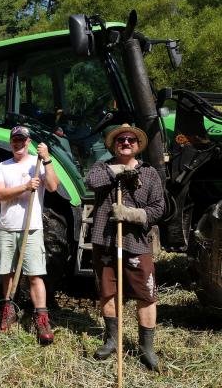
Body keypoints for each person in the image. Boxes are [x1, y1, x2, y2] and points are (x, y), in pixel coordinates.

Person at [85, 123, 165, 371]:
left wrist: (132, 214)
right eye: (121, 140)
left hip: (136, 243)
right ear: (114, 145)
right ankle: (112, 340)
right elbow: (90, 181)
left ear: (138, 145)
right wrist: (117, 171)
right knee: (108, 291)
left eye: (131, 139)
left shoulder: (150, 174)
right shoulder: (103, 168)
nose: (126, 142)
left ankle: (146, 348)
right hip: (106, 241)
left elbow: (158, 208)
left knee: (146, 294)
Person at [0, 126, 60, 344]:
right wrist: (25, 186)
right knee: (8, 273)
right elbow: (1, 194)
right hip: (7, 227)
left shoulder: (37, 163)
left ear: (28, 141)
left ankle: (41, 319)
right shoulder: (2, 166)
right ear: (11, 142)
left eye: (22, 140)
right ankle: (8, 309)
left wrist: (47, 159)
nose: (18, 143)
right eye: (15, 140)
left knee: (35, 274)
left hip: (31, 228)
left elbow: (52, 187)